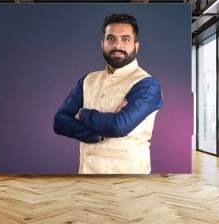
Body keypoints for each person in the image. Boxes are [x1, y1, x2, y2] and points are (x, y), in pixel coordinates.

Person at [53, 13, 163, 174]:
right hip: (87, 173)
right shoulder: (88, 80)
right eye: (111, 39)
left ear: (136, 46)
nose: (117, 45)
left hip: (129, 178)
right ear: (102, 44)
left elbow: (118, 126)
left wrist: (81, 114)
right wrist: (98, 136)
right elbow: (60, 121)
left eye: (125, 39)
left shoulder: (147, 84)